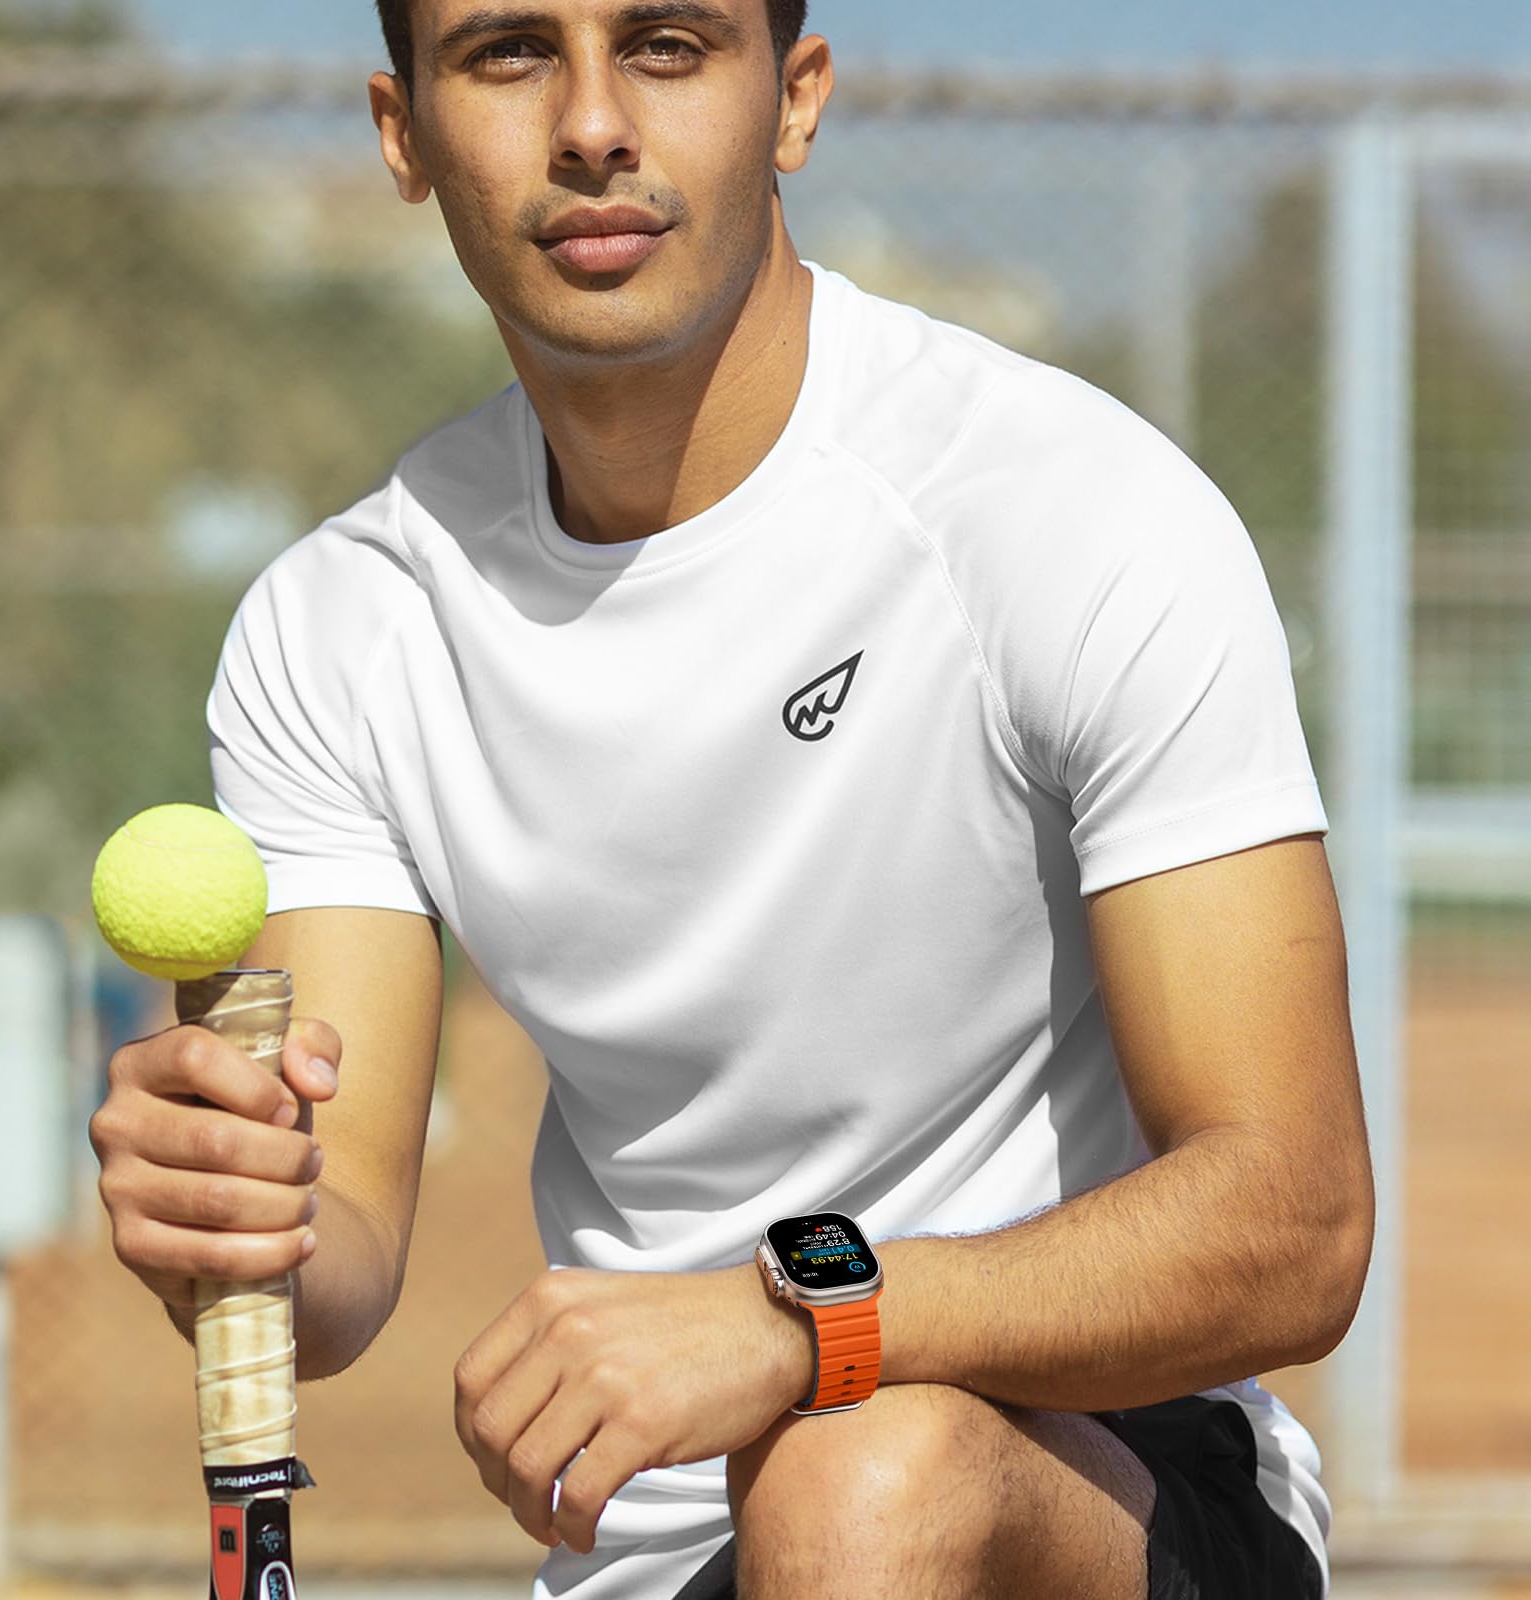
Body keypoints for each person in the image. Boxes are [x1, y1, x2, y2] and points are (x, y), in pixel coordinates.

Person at [88, 2, 1376, 1597]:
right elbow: (336, 1250)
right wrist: (239, 1216)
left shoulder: (1068, 510)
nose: (591, 124)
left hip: (1095, 1489)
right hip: (654, 1545)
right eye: (507, 54)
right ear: (402, 134)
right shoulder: (339, 622)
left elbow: (1294, 1223)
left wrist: (798, 1318)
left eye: (668, 45)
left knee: (860, 1474)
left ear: (797, 100)